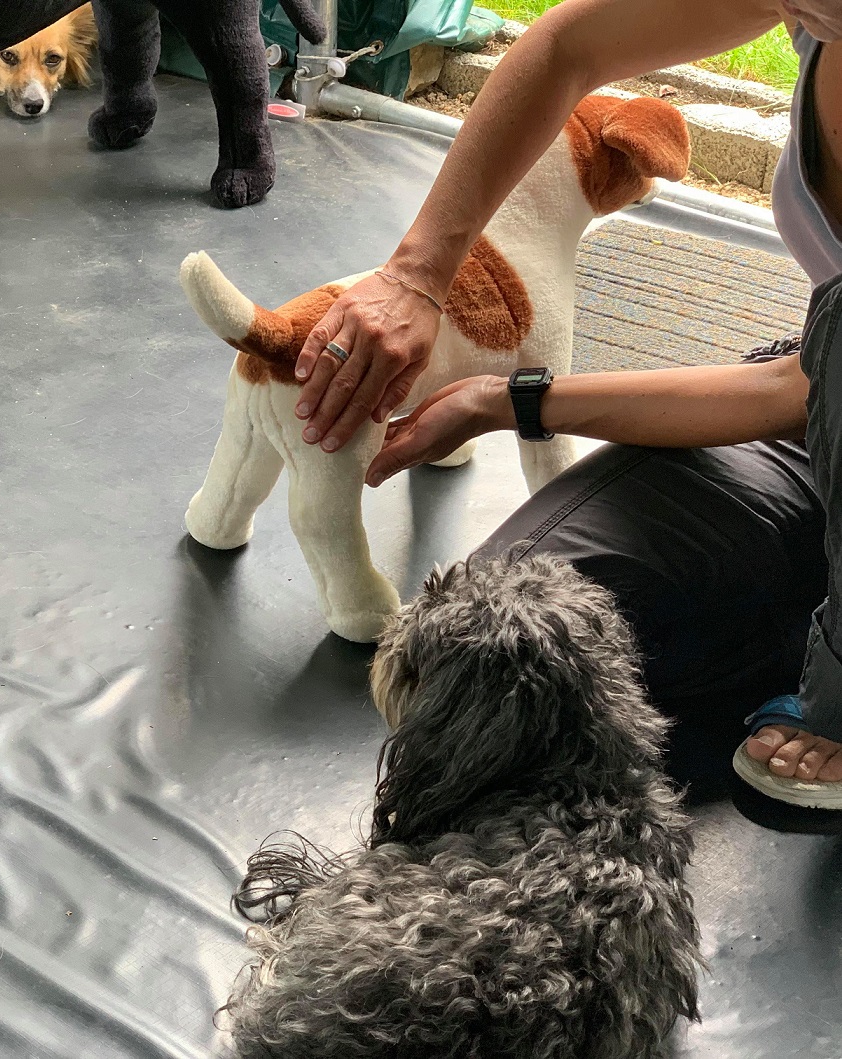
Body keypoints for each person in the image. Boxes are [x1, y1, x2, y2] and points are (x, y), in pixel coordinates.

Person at [292, 0, 842, 807]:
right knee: (486, 655)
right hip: (820, 423)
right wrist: (471, 355)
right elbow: (569, 47)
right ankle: (792, 634)